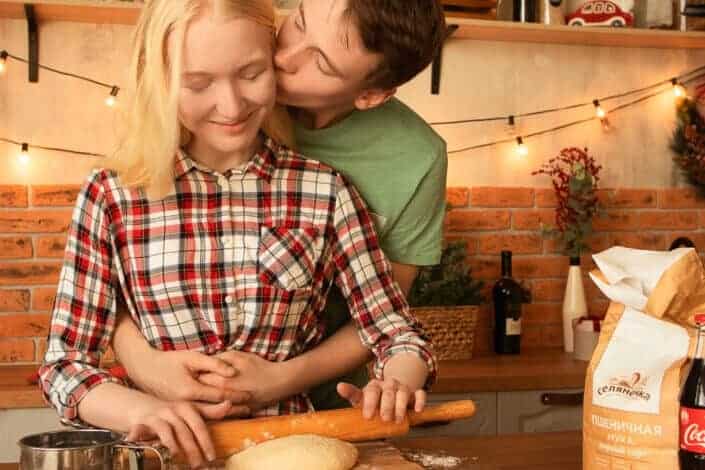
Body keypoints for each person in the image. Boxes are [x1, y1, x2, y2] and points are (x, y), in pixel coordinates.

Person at [38, 1, 436, 468]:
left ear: (269, 59)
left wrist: (396, 382)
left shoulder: (325, 190)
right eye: (198, 83)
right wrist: (141, 408)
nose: (231, 106)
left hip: (288, 449)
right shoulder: (111, 195)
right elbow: (64, 364)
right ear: (160, 79)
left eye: (251, 73)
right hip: (159, 456)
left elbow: (396, 331)